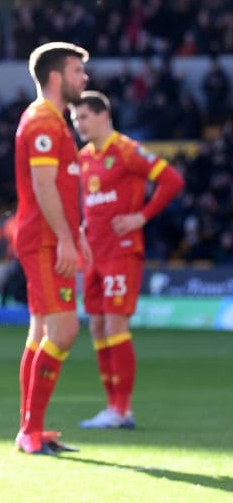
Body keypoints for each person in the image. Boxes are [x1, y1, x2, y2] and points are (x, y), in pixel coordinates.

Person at [71, 91, 184, 429]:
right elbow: (89, 201)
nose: (78, 125)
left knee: (116, 325)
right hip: (93, 251)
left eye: (83, 118)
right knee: (97, 325)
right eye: (75, 120)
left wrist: (142, 217)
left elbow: (172, 181)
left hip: (122, 250)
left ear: (103, 115)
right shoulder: (85, 156)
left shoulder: (128, 151)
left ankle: (123, 409)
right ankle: (111, 407)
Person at [13, 41, 88, 455]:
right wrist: (64, 238)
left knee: (42, 330)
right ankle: (30, 431)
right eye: (78, 71)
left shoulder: (55, 122)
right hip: (43, 239)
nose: (84, 79)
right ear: (56, 76)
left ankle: (32, 430)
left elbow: (58, 186)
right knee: (64, 329)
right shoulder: (42, 121)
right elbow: (43, 187)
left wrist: (74, 237)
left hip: (49, 237)